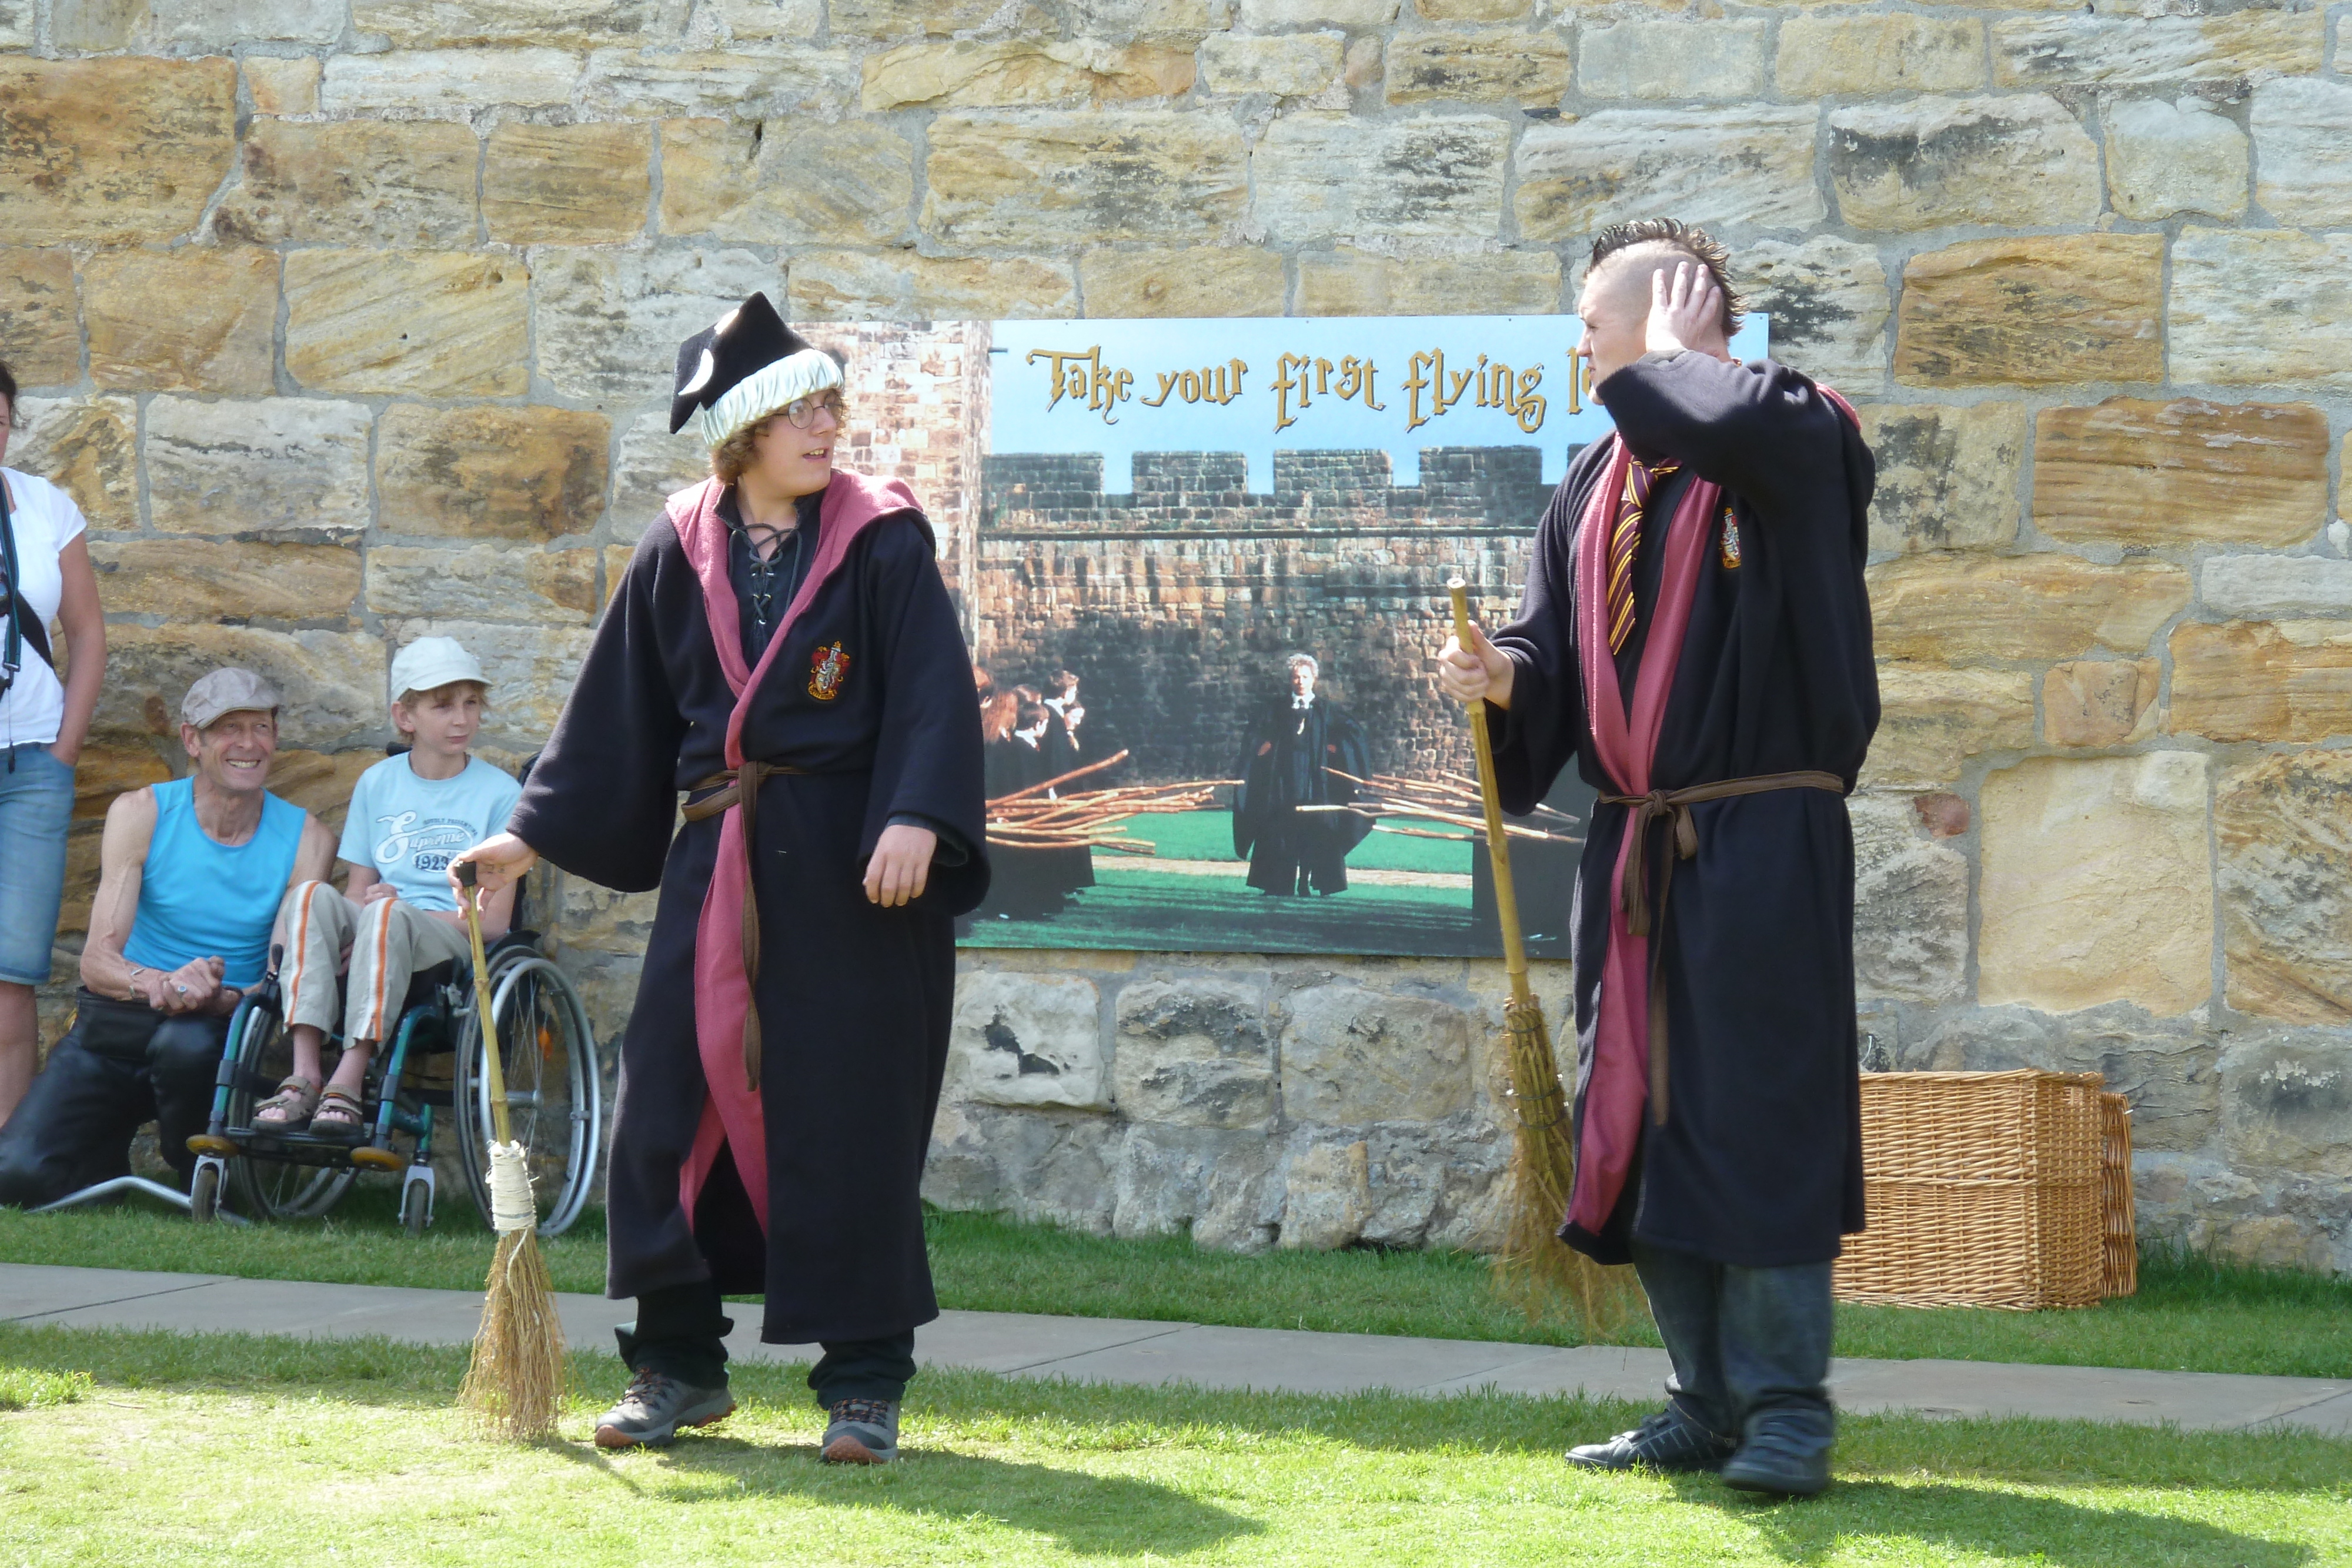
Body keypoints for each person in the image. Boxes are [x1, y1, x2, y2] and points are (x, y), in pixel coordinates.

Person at [450, 293, 988, 1465]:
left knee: (847, 1115)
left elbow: (934, 697)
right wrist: (522, 837)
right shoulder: (675, 544)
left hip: (856, 881)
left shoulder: (882, 539)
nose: (826, 427)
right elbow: (611, 722)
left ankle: (863, 1382)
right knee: (667, 1115)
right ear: (741, 430)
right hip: (716, 877)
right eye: (799, 409)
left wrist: (914, 816)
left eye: (832, 405)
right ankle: (676, 1365)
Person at [1436, 219, 1877, 1498]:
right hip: (1633, 849)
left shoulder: (1795, 435)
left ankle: (1787, 1412)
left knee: (1760, 1119)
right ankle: (1699, 1402)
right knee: (1645, 1124)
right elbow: (1552, 659)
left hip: (1759, 846)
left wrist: (1689, 358)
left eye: (1597, 322)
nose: (1581, 345)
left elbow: (1732, 423)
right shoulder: (1591, 486)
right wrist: (1499, 678)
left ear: (1676, 315)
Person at [0, 670, 336, 1206]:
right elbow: (96, 961)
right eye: (227, 728)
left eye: (260, 727)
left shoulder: (308, 838)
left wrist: (225, 997)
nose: (248, 744)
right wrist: (163, 982)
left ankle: (200, 1174)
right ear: (191, 741)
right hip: (117, 1024)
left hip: (215, 1033)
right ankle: (102, 1160)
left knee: (188, 1042)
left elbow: (282, 978)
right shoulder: (142, 812)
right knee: (16, 1176)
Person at [250, 638, 520, 1139]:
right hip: (382, 925)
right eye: (443, 705)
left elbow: (495, 921)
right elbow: (357, 891)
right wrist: (363, 919)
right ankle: (305, 1072)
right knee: (309, 897)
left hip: (450, 942)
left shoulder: (502, 795)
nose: (461, 718)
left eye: (471, 703)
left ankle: (347, 1080)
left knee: (388, 913)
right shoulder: (378, 783)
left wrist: (388, 913)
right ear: (405, 715)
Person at [0, 357, 106, 1129]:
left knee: (11, 970)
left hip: (34, 762)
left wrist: (65, 748)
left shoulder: (45, 508)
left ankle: (4, 1152)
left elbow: (88, 633)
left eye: (0, 421)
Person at [1231, 653, 1370, 896]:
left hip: (1315, 787)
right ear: (1290, 680)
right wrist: (1263, 746)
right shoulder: (1276, 709)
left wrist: (1336, 748)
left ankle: (1306, 883)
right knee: (1279, 834)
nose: (1300, 682)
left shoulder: (1325, 711)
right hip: (1283, 786)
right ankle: (1278, 884)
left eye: (1305, 677)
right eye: (1296, 677)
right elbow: (1256, 734)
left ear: (1314, 679)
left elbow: (1353, 734)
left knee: (1315, 834)